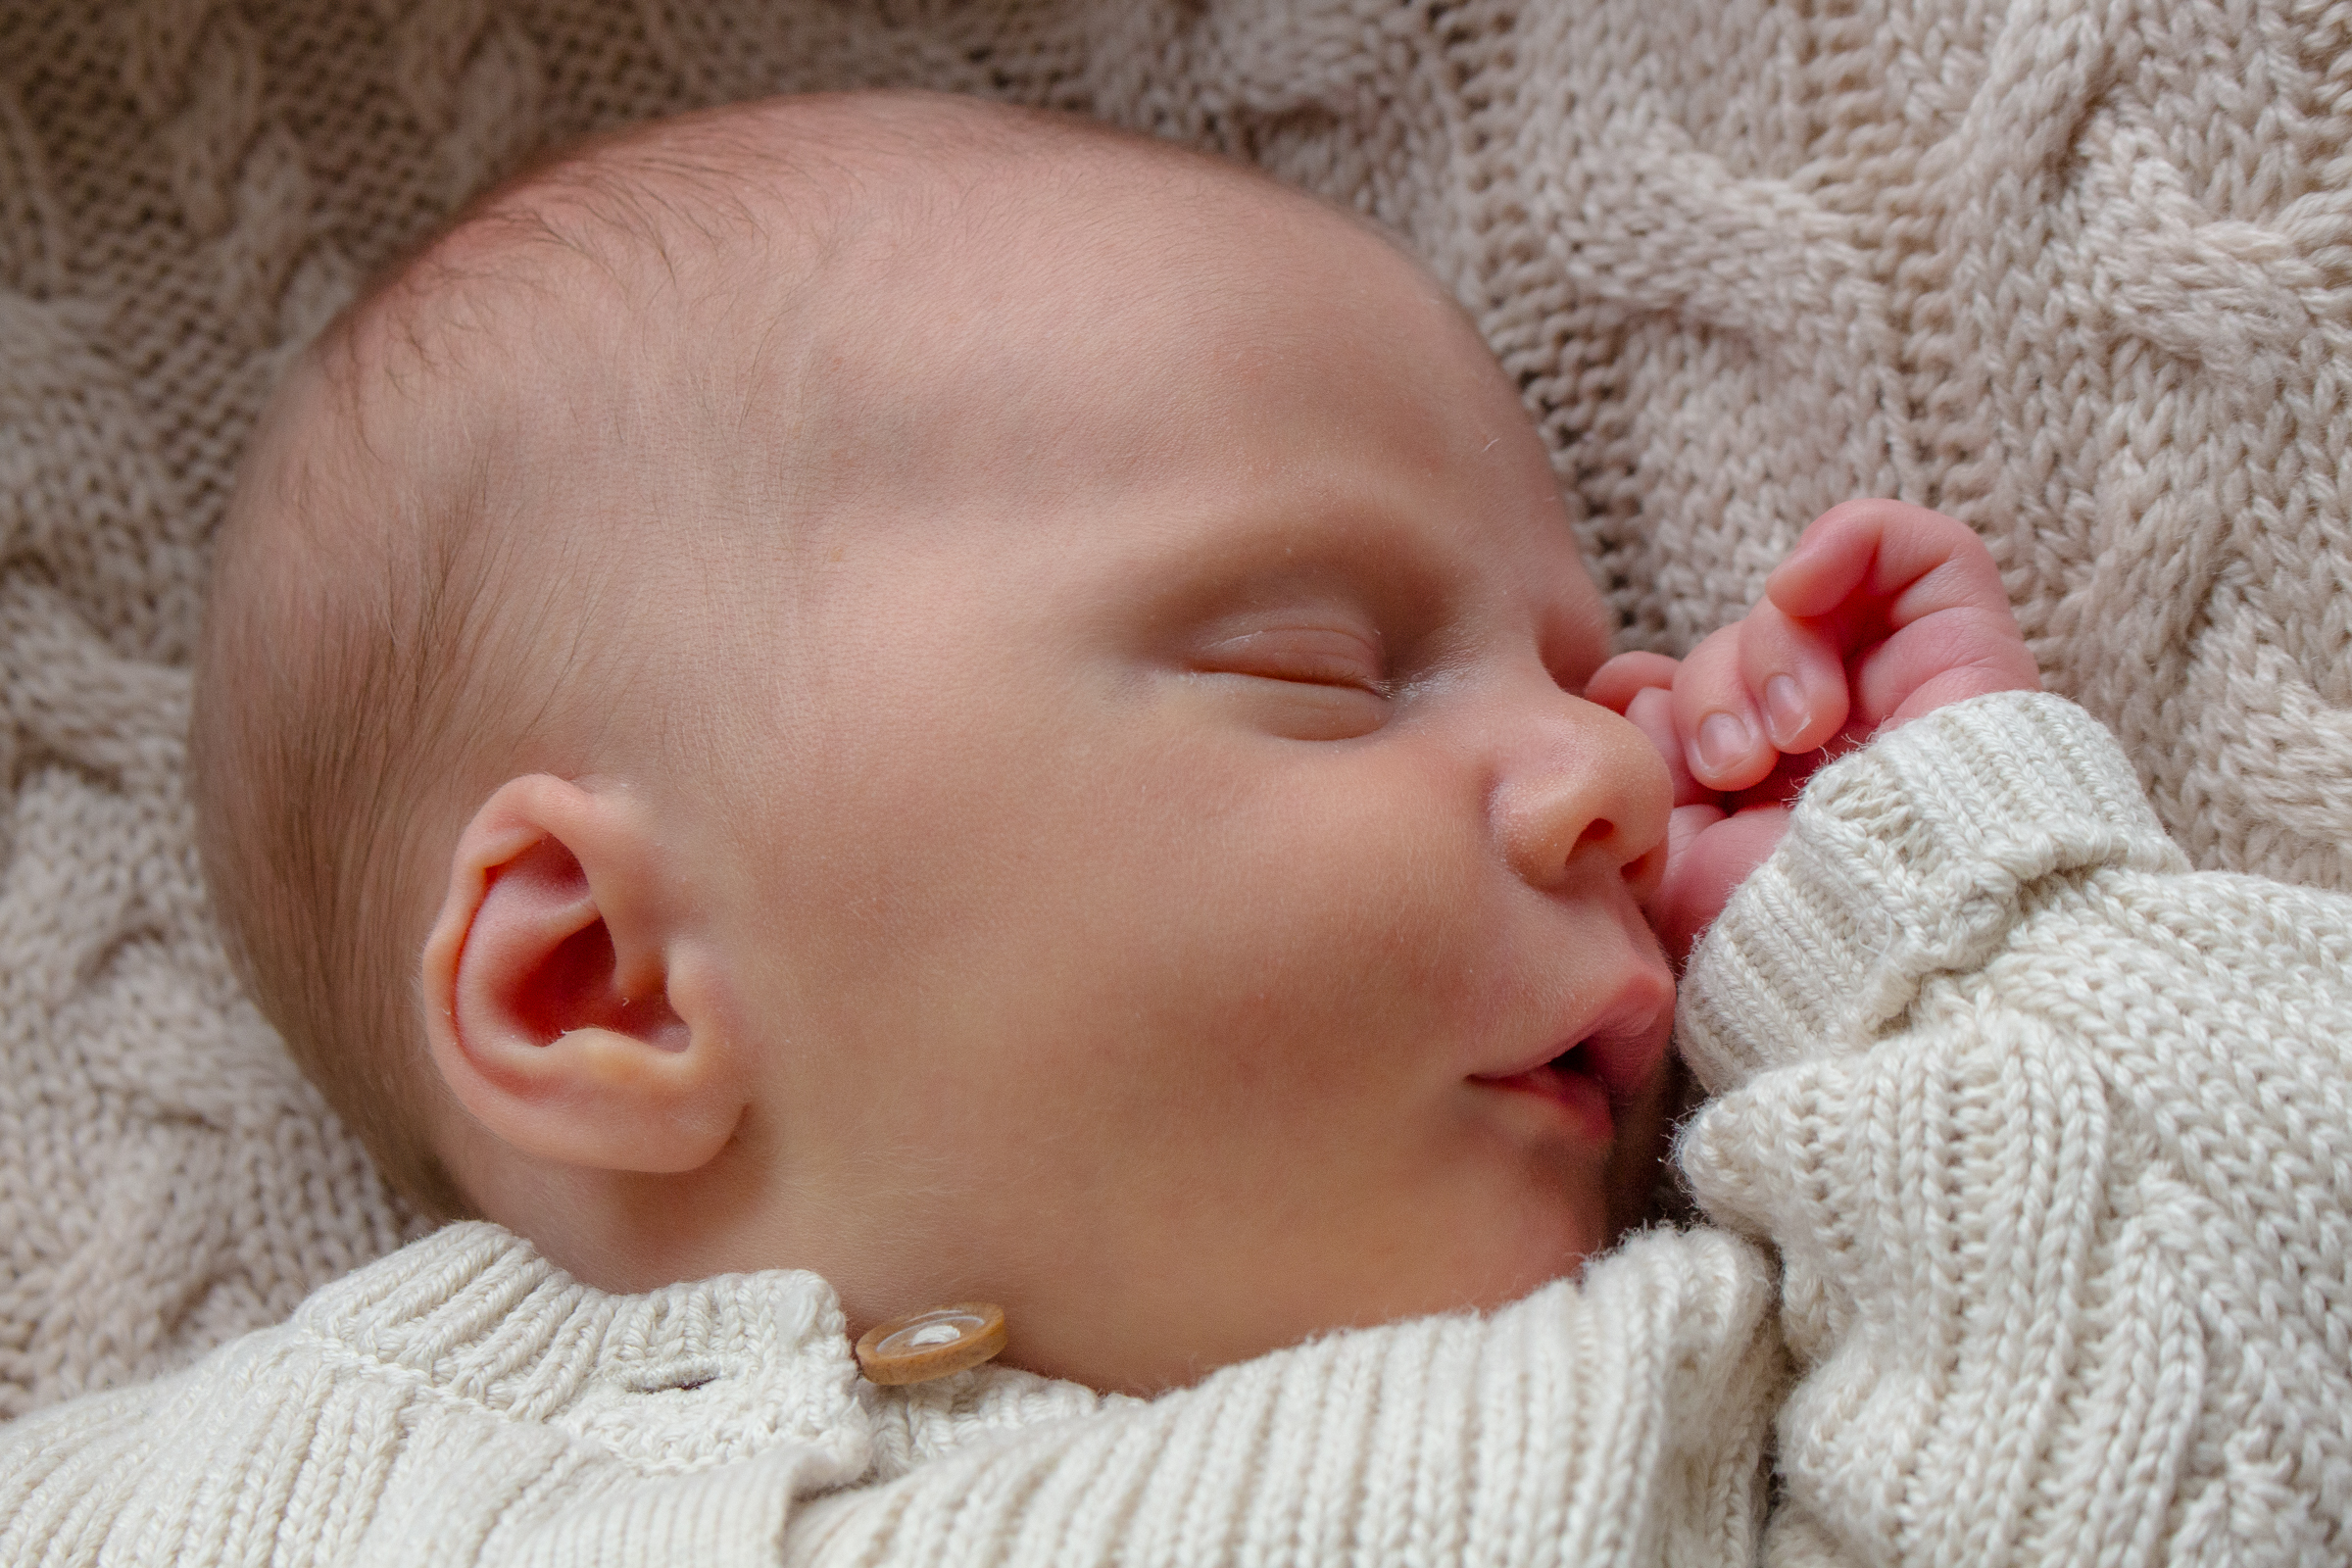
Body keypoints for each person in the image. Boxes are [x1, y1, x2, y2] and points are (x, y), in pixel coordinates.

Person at [2, 90, 2343, 1566]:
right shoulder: (185, 1495)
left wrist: (1939, 920)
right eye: (1321, 670)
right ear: (597, 979)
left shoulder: (1663, 1409)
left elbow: (2236, 1443)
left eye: (1586, 669)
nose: (1624, 771)